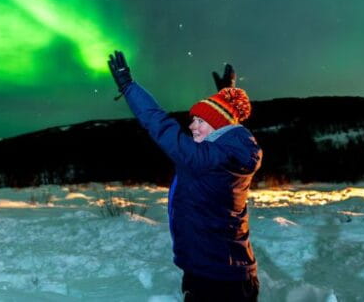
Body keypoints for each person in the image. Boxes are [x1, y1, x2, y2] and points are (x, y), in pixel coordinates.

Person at [107, 50, 262, 302]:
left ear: (221, 125)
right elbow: (227, 125)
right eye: (193, 120)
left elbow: (160, 124)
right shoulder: (231, 148)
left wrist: (129, 88)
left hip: (218, 281)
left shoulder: (207, 159)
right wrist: (226, 96)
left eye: (200, 121)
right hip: (218, 270)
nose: (191, 127)